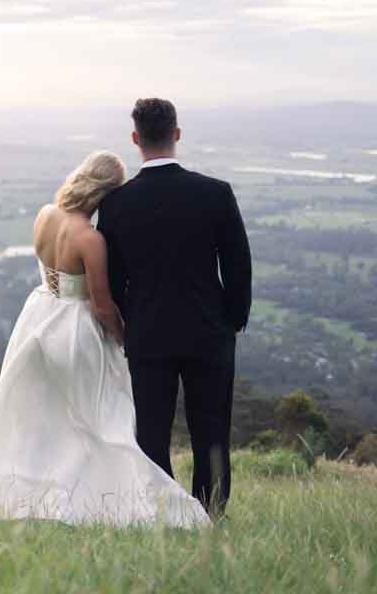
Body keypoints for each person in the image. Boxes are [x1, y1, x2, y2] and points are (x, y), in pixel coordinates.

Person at [0, 151, 210, 529]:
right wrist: (126, 340)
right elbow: (101, 306)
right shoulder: (90, 239)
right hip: (74, 331)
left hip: (39, 318)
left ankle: (41, 495)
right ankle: (107, 500)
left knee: (47, 416)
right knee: (102, 420)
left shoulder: (45, 215)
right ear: (107, 193)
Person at [97, 98, 252, 518]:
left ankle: (163, 516)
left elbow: (113, 279)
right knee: (212, 431)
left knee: (151, 433)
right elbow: (238, 265)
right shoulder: (215, 193)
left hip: (148, 335)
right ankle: (210, 515)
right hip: (209, 333)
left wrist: (130, 324)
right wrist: (233, 321)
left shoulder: (116, 204)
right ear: (177, 134)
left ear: (136, 139)